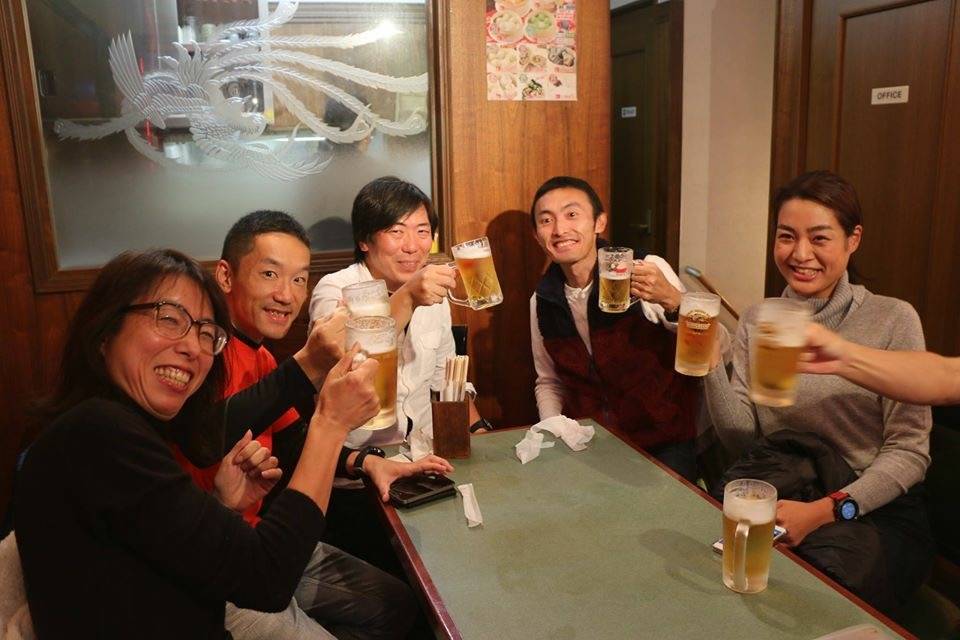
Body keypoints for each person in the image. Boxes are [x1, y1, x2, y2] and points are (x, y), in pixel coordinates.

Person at [14, 249, 380, 638]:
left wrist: (220, 506)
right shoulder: (99, 432)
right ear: (105, 331)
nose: (193, 347)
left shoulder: (119, 429)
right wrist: (330, 424)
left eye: (206, 334)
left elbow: (141, 570)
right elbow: (266, 578)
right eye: (169, 319)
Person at [187, 210, 452, 639]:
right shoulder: (202, 351)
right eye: (270, 274)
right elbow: (202, 437)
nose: (286, 295)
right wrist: (309, 363)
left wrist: (367, 463)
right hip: (215, 571)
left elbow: (292, 442)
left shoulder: (262, 357)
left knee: (401, 605)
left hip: (262, 538)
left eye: (298, 279)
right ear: (225, 276)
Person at [703, 170, 933, 612]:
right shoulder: (760, 319)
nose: (800, 254)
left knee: (801, 605)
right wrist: (711, 364)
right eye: (786, 236)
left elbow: (910, 451)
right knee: (726, 585)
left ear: (853, 239)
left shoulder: (893, 320)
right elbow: (742, 438)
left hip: (870, 510)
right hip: (784, 490)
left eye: (820, 238)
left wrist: (825, 511)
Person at [309, 177, 487, 569]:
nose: (412, 246)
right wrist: (407, 297)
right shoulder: (335, 290)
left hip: (424, 467)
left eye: (422, 232)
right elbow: (350, 367)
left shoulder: (435, 296)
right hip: (356, 479)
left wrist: (479, 431)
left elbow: (446, 381)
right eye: (396, 231)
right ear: (365, 240)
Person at [528, 176, 702, 481]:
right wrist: (554, 431)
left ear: (599, 222)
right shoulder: (542, 300)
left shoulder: (644, 268)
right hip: (593, 444)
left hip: (665, 440)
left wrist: (672, 299)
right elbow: (549, 381)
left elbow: (703, 348)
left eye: (572, 214)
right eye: (546, 220)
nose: (559, 229)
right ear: (537, 235)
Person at [799, 323, 960, 405]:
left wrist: (843, 357)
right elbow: (947, 376)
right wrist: (842, 358)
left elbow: (949, 378)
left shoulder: (895, 316)